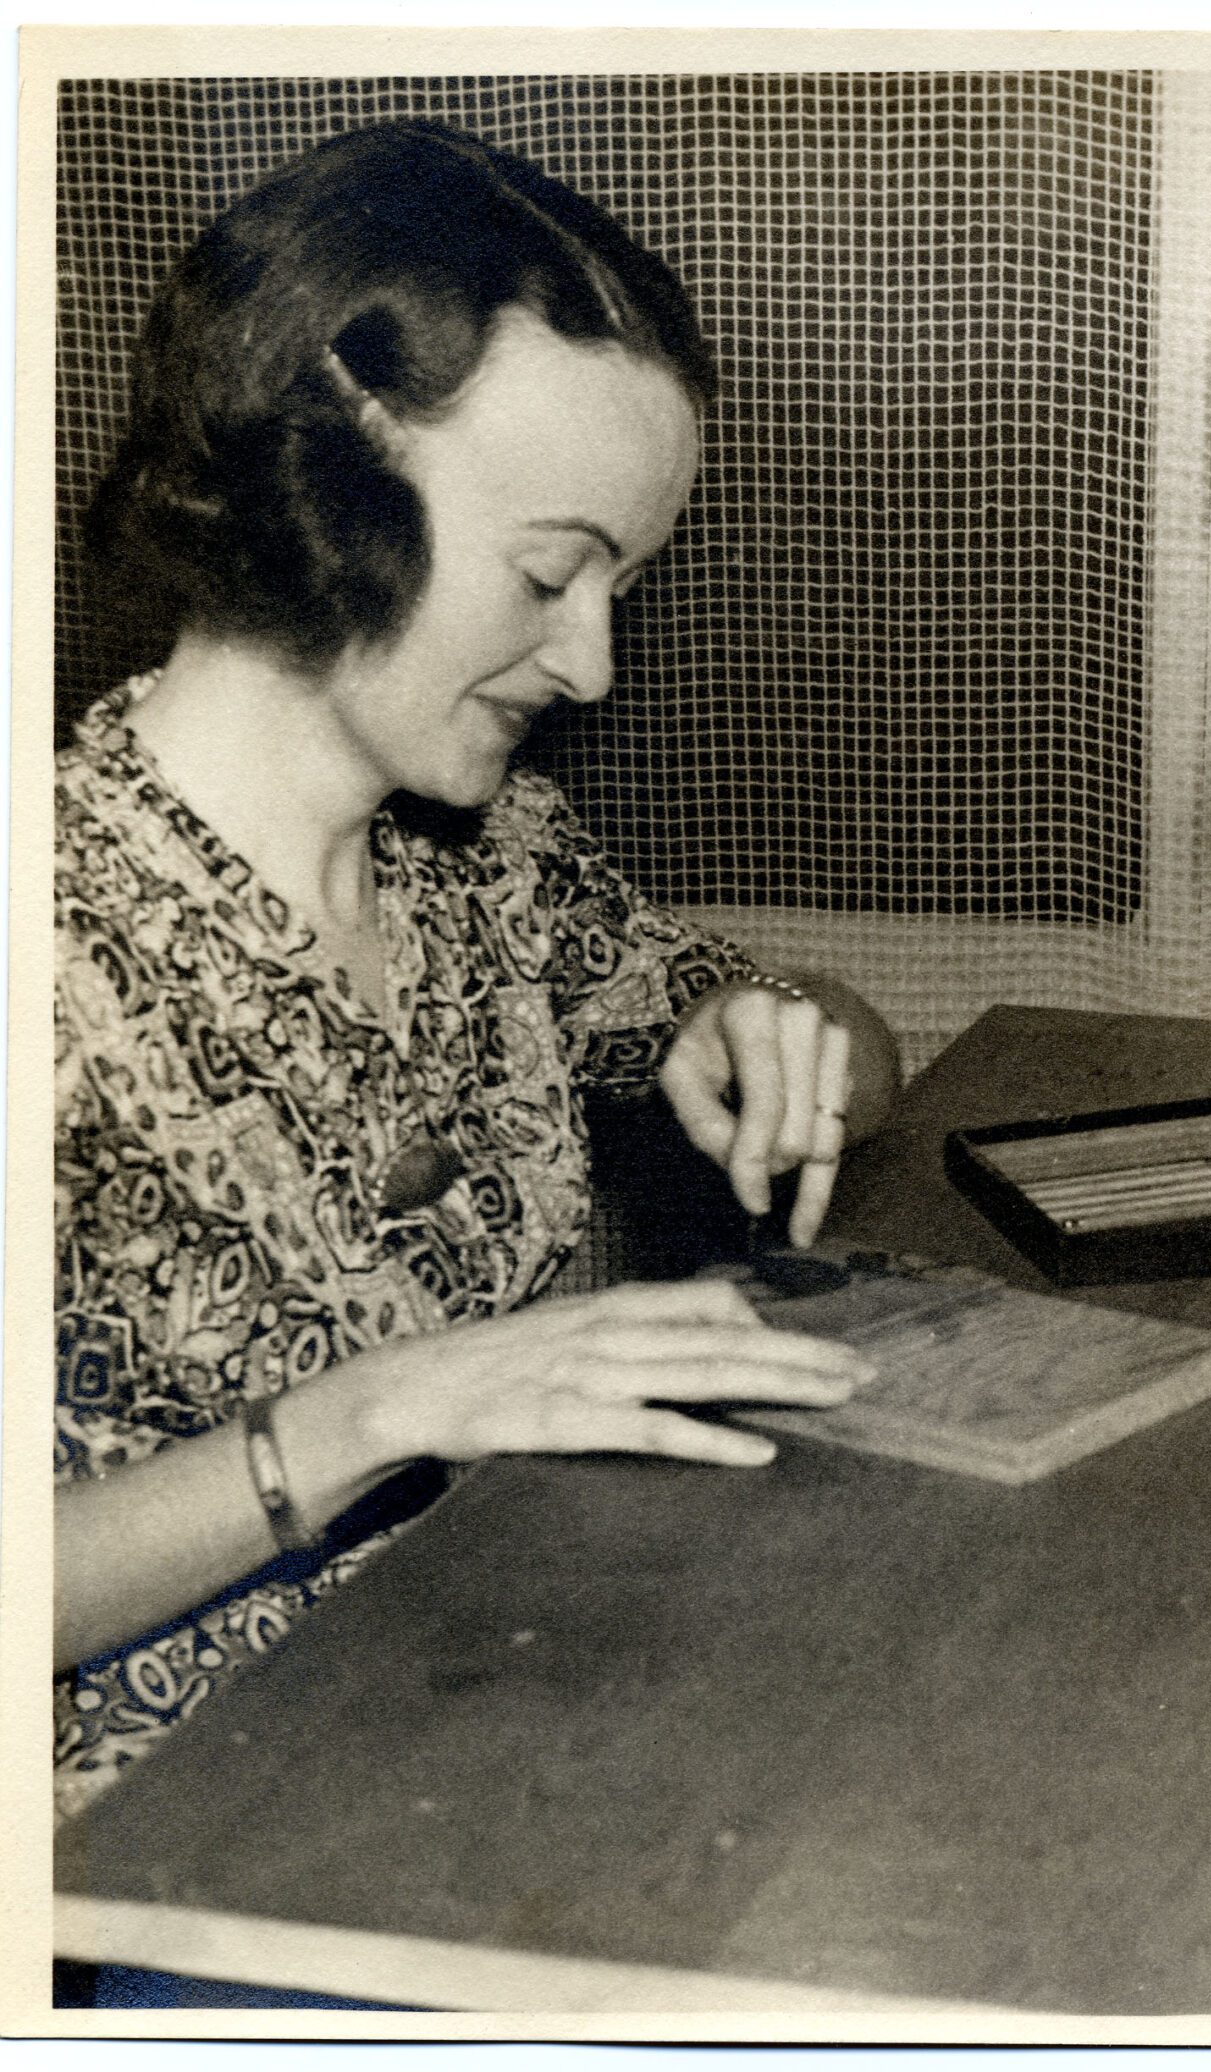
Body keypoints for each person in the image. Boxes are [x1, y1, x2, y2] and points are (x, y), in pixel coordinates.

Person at [54, 119, 904, 1819]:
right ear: (328, 469)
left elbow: (849, 1053)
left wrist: (773, 1030)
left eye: (622, 588)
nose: (591, 664)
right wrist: (378, 1413)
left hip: (520, 1706)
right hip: (189, 1854)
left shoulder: (486, 853)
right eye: (547, 572)